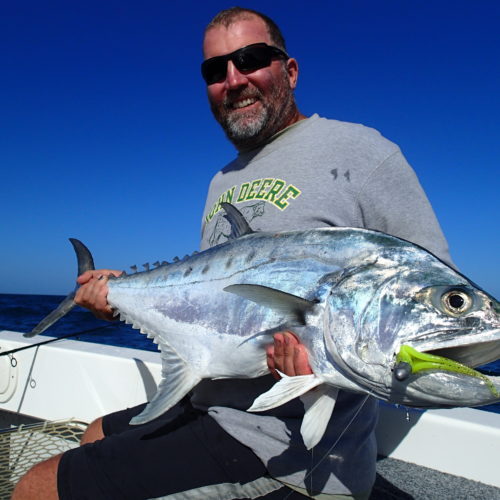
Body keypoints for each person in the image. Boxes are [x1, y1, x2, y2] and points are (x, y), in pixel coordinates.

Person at [12, 7, 453, 500]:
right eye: (214, 69)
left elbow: (424, 299)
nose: (233, 79)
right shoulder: (222, 179)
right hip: (209, 398)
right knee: (94, 431)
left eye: (250, 59)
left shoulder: (361, 151)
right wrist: (117, 300)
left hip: (274, 437)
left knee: (37, 487)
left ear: (289, 70)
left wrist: (327, 360)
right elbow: (207, 305)